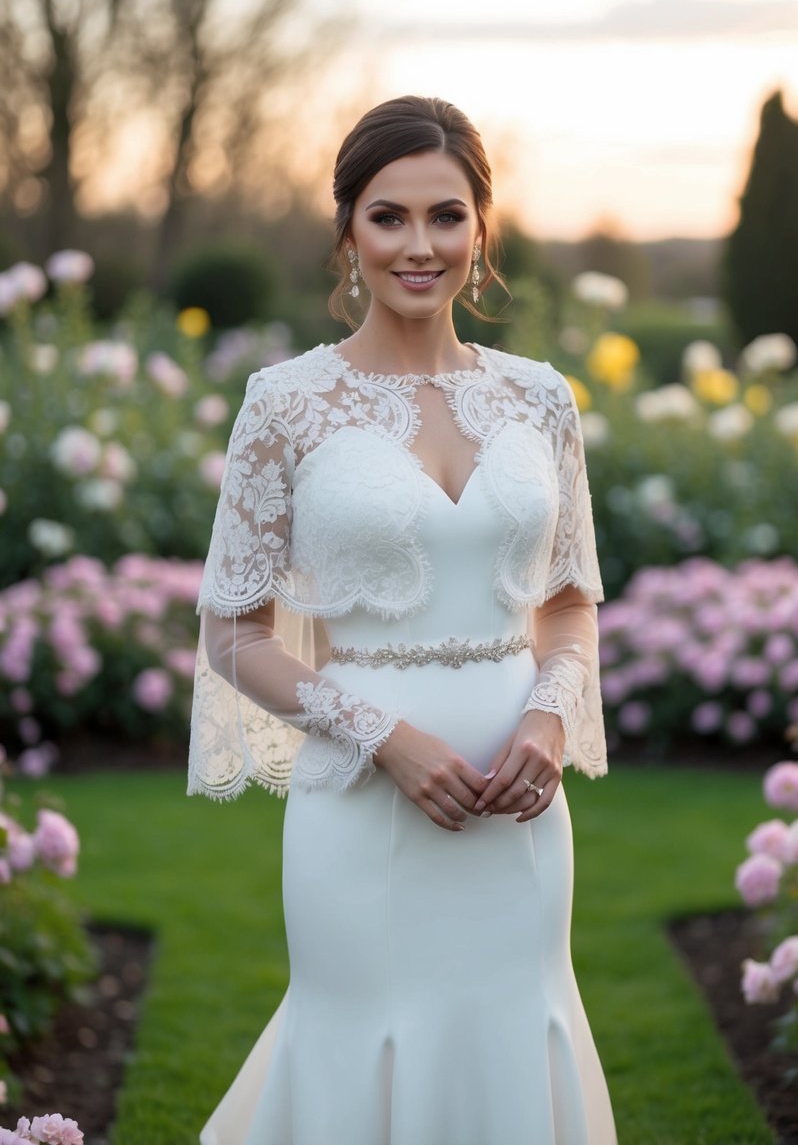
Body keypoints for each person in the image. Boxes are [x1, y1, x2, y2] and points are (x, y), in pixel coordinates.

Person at [189, 94, 617, 1144]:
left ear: (482, 229)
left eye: (445, 215)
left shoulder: (541, 399)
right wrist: (386, 736)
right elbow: (231, 631)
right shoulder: (285, 403)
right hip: (359, 808)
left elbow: (567, 603)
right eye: (389, 217)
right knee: (358, 1031)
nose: (419, 245)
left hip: (518, 813)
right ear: (348, 232)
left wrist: (549, 721)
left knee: (514, 1029)